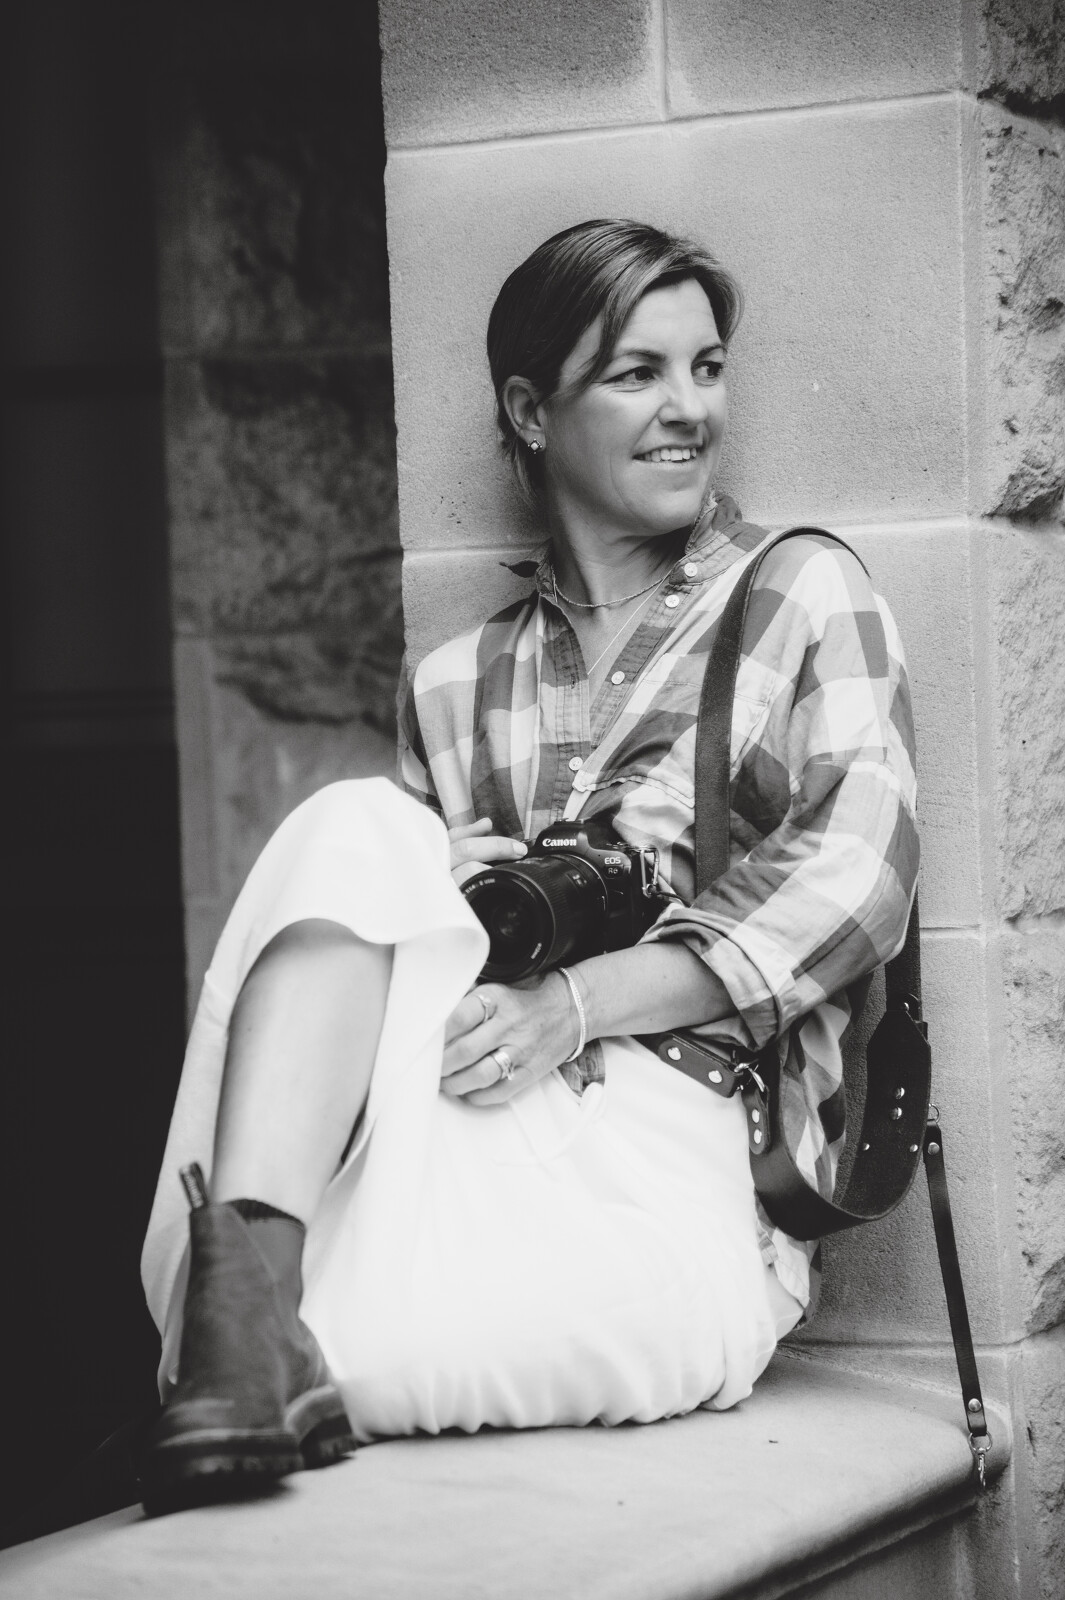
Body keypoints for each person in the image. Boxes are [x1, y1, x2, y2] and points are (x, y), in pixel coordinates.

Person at [140, 219, 918, 1514]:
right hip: (477, 1155)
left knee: (304, 1359)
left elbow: (859, 882)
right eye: (637, 373)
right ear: (529, 410)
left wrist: (578, 1001)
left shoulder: (799, 595)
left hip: (680, 1184)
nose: (689, 410)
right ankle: (249, 1310)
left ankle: (242, 1343)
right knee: (357, 830)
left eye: (706, 368)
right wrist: (439, 897)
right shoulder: (455, 681)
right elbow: (409, 1002)